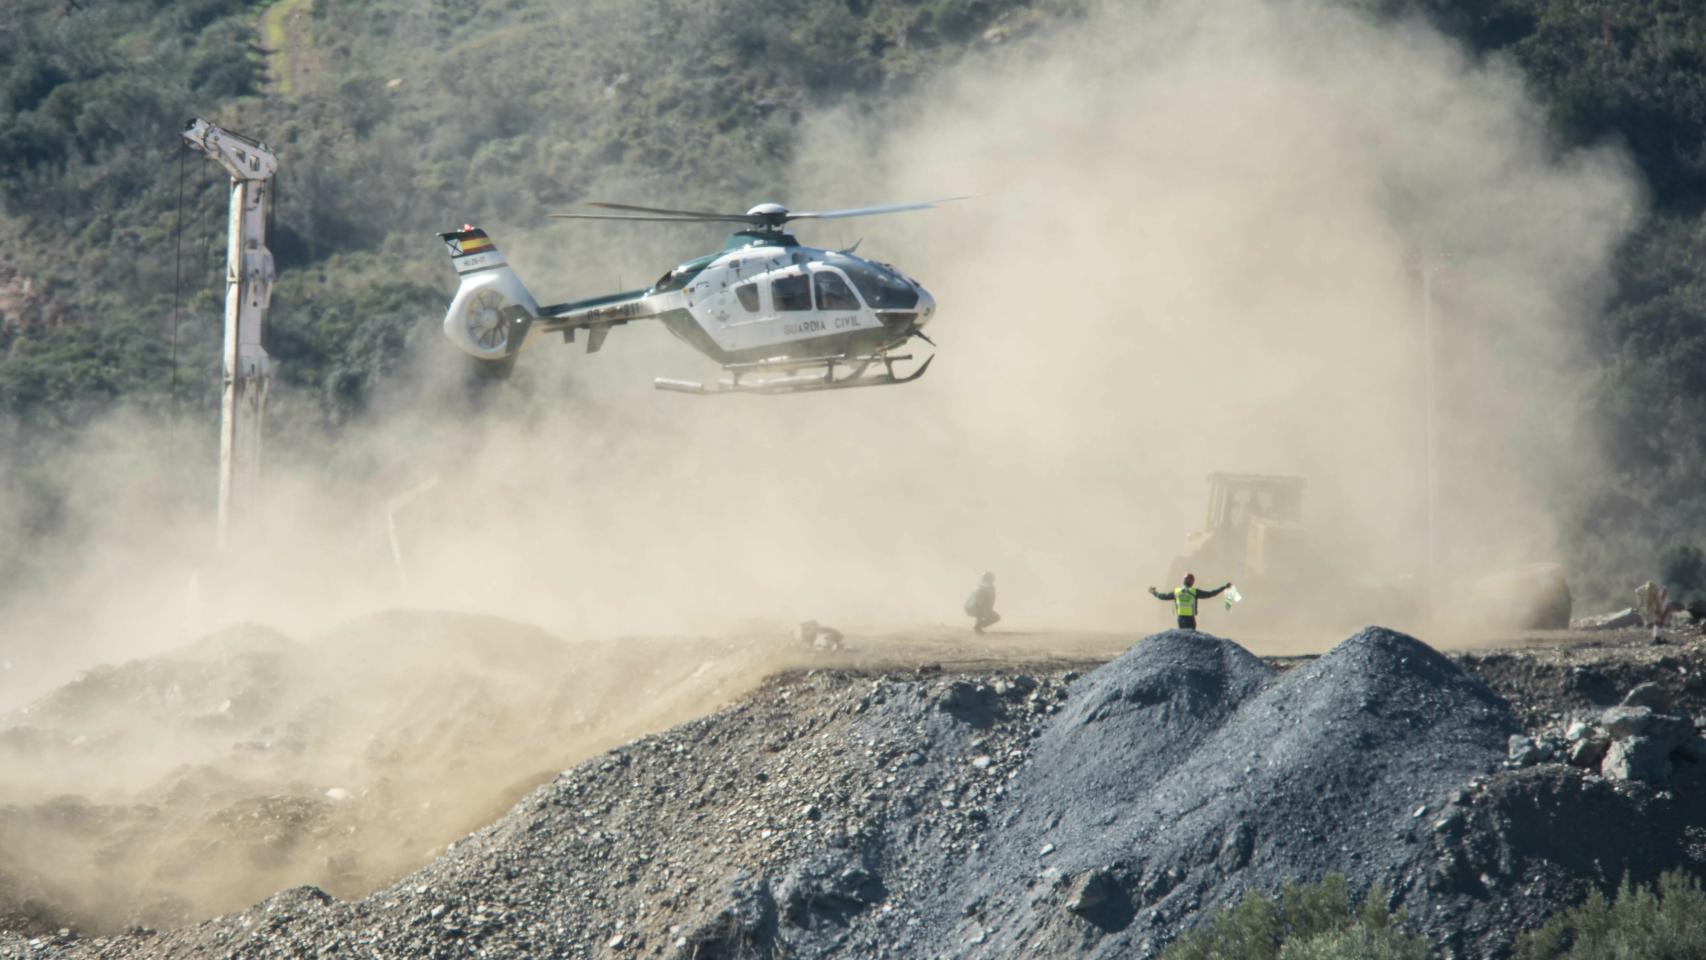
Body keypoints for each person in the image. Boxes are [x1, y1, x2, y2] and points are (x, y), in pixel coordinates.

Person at [1149, 573, 1231, 630]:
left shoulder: (1177, 591)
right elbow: (1211, 594)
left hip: (1180, 618)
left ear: (1184, 580)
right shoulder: (1194, 591)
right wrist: (1224, 587)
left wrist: (1154, 592)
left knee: (1183, 637)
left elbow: (1163, 596)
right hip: (1190, 619)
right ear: (1192, 581)